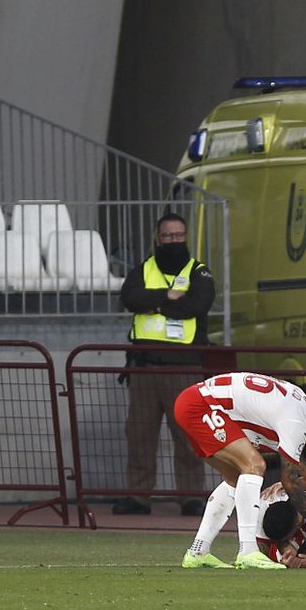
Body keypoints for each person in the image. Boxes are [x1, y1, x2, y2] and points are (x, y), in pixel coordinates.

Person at [173, 371, 306, 570]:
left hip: (196, 401)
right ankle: (248, 550)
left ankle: (198, 551)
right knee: (254, 465)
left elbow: (292, 456)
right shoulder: (297, 422)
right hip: (201, 404)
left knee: (235, 477)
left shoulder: (299, 402)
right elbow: (289, 477)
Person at [115, 212, 214, 517]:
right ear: (158, 239)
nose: (174, 241)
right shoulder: (142, 269)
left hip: (183, 367)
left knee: (187, 436)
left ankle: (191, 497)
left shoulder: (199, 272)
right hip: (144, 368)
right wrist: (167, 297)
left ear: (186, 236)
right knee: (140, 434)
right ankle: (138, 497)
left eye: (179, 235)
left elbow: (196, 306)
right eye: (168, 236)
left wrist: (153, 304)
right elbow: (129, 297)